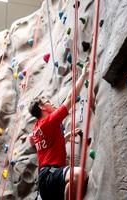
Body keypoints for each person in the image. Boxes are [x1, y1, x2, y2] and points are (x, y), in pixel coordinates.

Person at [29, 63, 89, 200]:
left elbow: (49, 146)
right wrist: (84, 75)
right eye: (48, 102)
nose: (52, 104)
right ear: (41, 107)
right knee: (79, 174)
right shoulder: (49, 121)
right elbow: (70, 99)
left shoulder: (37, 128)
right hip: (51, 174)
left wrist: (67, 136)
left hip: (46, 183)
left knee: (72, 183)